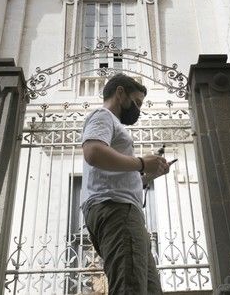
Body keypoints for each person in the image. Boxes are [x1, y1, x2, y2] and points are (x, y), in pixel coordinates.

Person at [81, 73, 169, 294]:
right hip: (118, 212)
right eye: (136, 102)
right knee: (130, 287)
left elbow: (116, 176)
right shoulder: (104, 116)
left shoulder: (111, 123)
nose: (138, 109)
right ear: (120, 93)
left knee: (147, 288)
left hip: (121, 210)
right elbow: (93, 152)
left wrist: (149, 173)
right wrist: (141, 162)